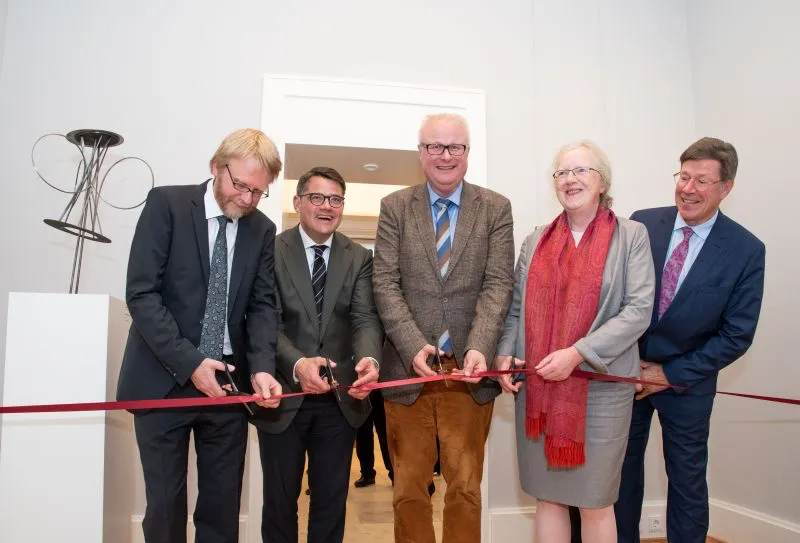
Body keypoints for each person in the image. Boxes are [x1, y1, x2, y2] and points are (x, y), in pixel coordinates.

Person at [116, 128, 283, 543]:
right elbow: (142, 294)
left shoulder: (261, 228)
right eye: (240, 185)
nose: (246, 199)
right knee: (166, 506)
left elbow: (263, 306)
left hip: (228, 386)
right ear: (216, 166)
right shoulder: (167, 205)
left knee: (221, 507)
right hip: (162, 379)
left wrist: (262, 368)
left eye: (258, 191)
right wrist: (191, 364)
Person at [495, 140, 655, 543]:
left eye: (581, 171)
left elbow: (638, 311)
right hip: (539, 389)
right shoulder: (534, 241)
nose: (571, 180)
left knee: (596, 502)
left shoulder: (632, 236)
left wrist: (577, 354)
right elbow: (516, 308)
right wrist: (505, 354)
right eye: (562, 173)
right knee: (548, 499)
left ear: (602, 180)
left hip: (601, 389)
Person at [614, 137, 766, 543]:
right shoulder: (641, 222)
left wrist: (669, 373)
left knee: (687, 481)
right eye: (684, 176)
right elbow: (615, 298)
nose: (688, 188)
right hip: (627, 376)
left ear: (726, 188)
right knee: (619, 476)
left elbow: (737, 334)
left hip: (688, 382)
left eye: (702, 180)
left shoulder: (747, 250)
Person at [372, 112, 514, 543]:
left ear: (467, 153)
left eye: (455, 146)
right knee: (409, 490)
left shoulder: (496, 208)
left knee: (465, 490)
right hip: (407, 371)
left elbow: (498, 282)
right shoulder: (395, 207)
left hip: (469, 373)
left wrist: (480, 346)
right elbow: (384, 281)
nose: (445, 155)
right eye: (435, 146)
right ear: (421, 153)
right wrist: (413, 343)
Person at [250, 166, 383, 543]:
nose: (327, 207)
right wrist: (297, 363)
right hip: (283, 397)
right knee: (279, 503)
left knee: (330, 503)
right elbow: (263, 321)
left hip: (338, 402)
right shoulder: (271, 250)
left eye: (336, 199)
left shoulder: (359, 256)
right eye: (317, 198)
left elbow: (364, 318)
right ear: (298, 203)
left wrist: (369, 361)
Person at [354, 388, 393, 487]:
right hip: (360, 392)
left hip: (380, 391)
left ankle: (394, 472)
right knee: (362, 435)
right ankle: (367, 473)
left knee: (385, 434)